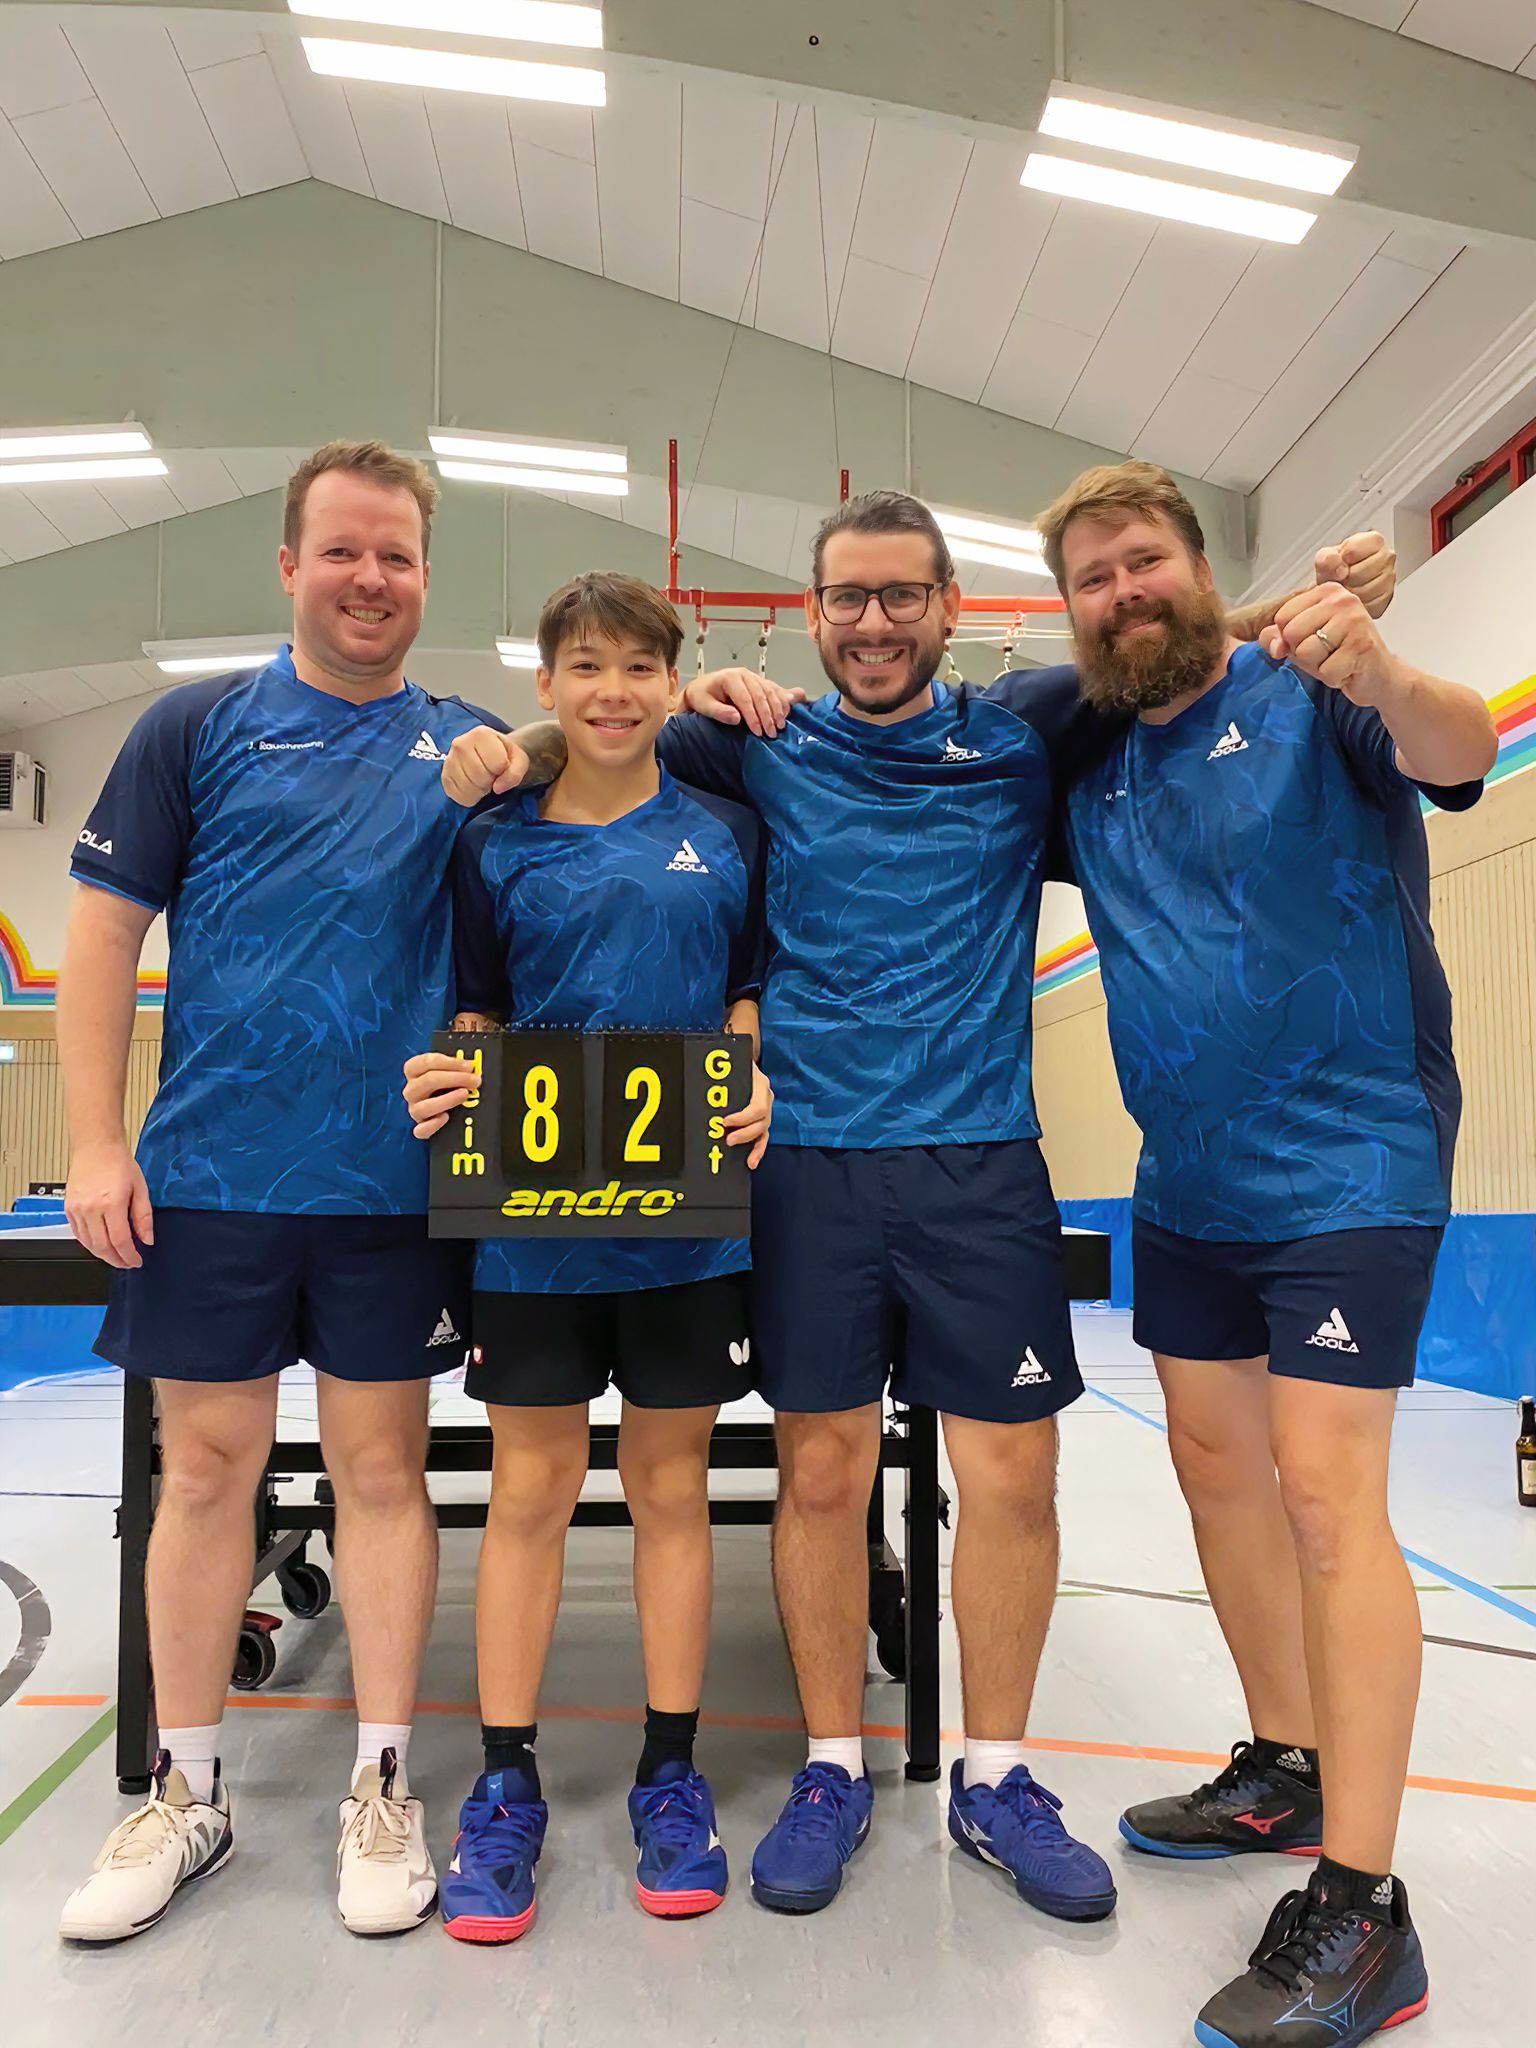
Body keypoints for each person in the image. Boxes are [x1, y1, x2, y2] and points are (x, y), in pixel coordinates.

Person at [441, 495, 1396, 1927]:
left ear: (953, 607)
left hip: (981, 1162)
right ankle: (830, 1765)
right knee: (823, 1476)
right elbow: (601, 725)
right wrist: (504, 749)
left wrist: (1319, 601)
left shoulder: (1027, 728)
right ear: (811, 615)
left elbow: (1179, 639)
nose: (874, 622)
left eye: (902, 596)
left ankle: (997, 1778)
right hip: (806, 1165)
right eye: (848, 599)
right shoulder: (751, 738)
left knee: (1011, 1479)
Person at [1035, 460, 1494, 2048]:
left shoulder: (1317, 687)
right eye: (1093, 576)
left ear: (1198, 564)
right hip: (1188, 1183)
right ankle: (1287, 1765)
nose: (1125, 592)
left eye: (1145, 560)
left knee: (1323, 1496)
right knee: (1217, 1473)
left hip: (1351, 1158)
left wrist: (1381, 661)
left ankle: (1366, 1909)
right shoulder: (1087, 763)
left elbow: (1462, 747)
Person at [56, 441, 524, 1944]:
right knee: (203, 1474)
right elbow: (102, 934)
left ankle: (381, 1785)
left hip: (394, 1185)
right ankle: (184, 1794)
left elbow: (609, 789)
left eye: (397, 556)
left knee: (383, 1475)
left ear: (426, 575)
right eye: (342, 551)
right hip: (212, 1177)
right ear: (287, 566)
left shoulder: (472, 750)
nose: (370, 579)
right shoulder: (193, 729)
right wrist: (97, 1142)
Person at [401, 573, 771, 1940]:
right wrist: (458, 1072)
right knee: (531, 1491)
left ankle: (671, 1774)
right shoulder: (492, 841)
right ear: (546, 683)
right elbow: (478, 1005)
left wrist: (752, 1068)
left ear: (673, 683)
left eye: (638, 667)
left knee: (671, 1486)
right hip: (532, 1220)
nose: (613, 691)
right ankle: (505, 1783)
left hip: (686, 1212)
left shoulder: (728, 830)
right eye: (587, 666)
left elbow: (746, 984)